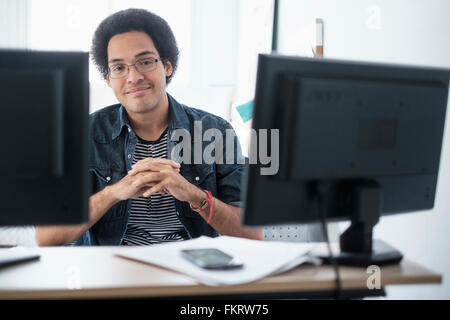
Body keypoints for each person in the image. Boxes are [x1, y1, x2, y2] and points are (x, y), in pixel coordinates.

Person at [36, 8, 262, 246]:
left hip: (192, 271)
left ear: (167, 66)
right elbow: (47, 237)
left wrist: (193, 195)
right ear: (108, 79)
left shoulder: (215, 131)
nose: (133, 77)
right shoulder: (83, 135)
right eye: (119, 68)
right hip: (111, 273)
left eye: (144, 62)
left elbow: (252, 235)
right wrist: (113, 193)